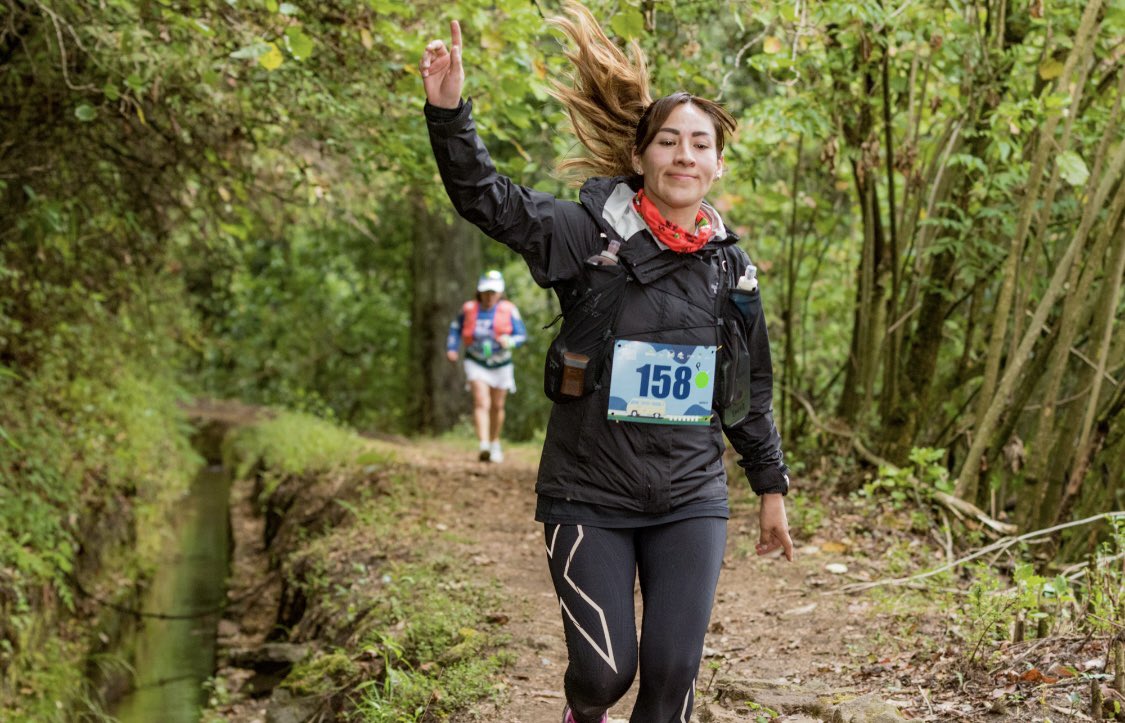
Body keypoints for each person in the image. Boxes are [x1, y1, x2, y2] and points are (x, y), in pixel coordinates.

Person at [421, 4, 793, 721]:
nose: (684, 156)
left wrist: (768, 487)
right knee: (602, 672)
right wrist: (448, 111)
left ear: (716, 163)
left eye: (699, 145)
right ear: (639, 156)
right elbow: (485, 200)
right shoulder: (584, 236)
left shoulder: (731, 270)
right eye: (668, 142)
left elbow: (747, 389)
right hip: (588, 492)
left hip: (689, 494)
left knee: (671, 677)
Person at [446, 269, 528, 463]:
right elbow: (455, 328)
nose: (490, 296)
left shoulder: (509, 309)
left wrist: (509, 342)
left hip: (501, 362)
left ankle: (494, 442)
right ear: (479, 291)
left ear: (500, 293)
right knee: (481, 401)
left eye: (494, 292)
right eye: (486, 291)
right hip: (476, 360)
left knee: (498, 405)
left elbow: (521, 335)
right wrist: (452, 348)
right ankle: (483, 444)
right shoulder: (468, 309)